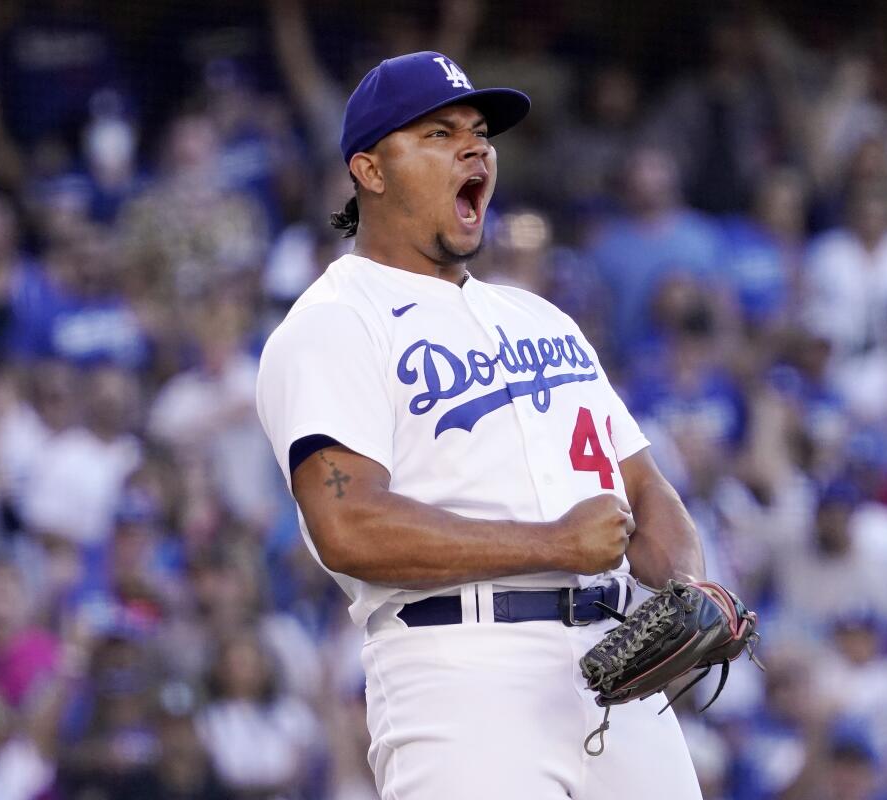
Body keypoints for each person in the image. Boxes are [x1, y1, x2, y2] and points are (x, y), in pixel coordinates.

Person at [255, 52, 708, 798]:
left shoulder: (539, 314)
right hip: (461, 672)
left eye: (479, 132)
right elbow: (348, 524)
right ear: (370, 169)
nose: (475, 148)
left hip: (618, 666)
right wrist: (555, 544)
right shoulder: (334, 323)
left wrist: (686, 584)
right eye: (439, 133)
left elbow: (641, 480)